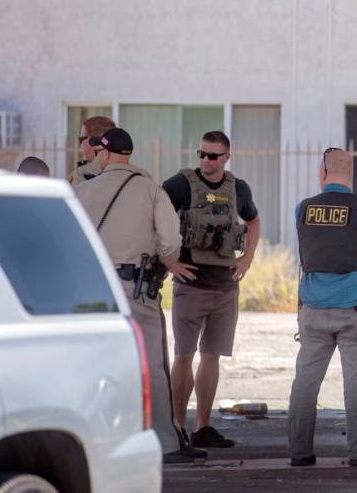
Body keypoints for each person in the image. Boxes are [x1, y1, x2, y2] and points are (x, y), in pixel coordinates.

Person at [74, 127, 205, 465]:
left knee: (96, 368)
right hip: (137, 290)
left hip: (94, 294)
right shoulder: (150, 189)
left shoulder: (82, 190)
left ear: (104, 154)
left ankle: (94, 444)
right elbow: (170, 240)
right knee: (152, 367)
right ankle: (166, 443)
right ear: (128, 154)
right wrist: (166, 261)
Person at [288, 147, 357, 467]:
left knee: (306, 381)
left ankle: (300, 452)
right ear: (352, 176)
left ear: (322, 173)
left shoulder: (302, 208)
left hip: (313, 309)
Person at [162, 130, 261, 449]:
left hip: (224, 285)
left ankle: (202, 426)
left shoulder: (238, 188)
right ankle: (178, 427)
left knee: (211, 355)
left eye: (213, 155)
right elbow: (156, 215)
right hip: (190, 284)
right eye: (201, 154)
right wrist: (170, 262)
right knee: (182, 356)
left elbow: (254, 220)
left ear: (226, 157)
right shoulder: (180, 184)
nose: (206, 160)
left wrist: (247, 257)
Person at [69, 115, 116, 185]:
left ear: (93, 141)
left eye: (81, 139)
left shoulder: (81, 175)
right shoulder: (128, 172)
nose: (81, 145)